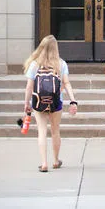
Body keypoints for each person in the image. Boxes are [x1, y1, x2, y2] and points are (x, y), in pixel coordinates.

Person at [23, 35, 78, 172]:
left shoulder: (35, 64)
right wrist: (73, 100)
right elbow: (66, 83)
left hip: (38, 101)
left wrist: (27, 103)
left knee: (42, 131)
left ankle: (44, 163)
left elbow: (29, 87)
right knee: (55, 131)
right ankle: (55, 160)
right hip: (56, 102)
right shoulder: (61, 64)